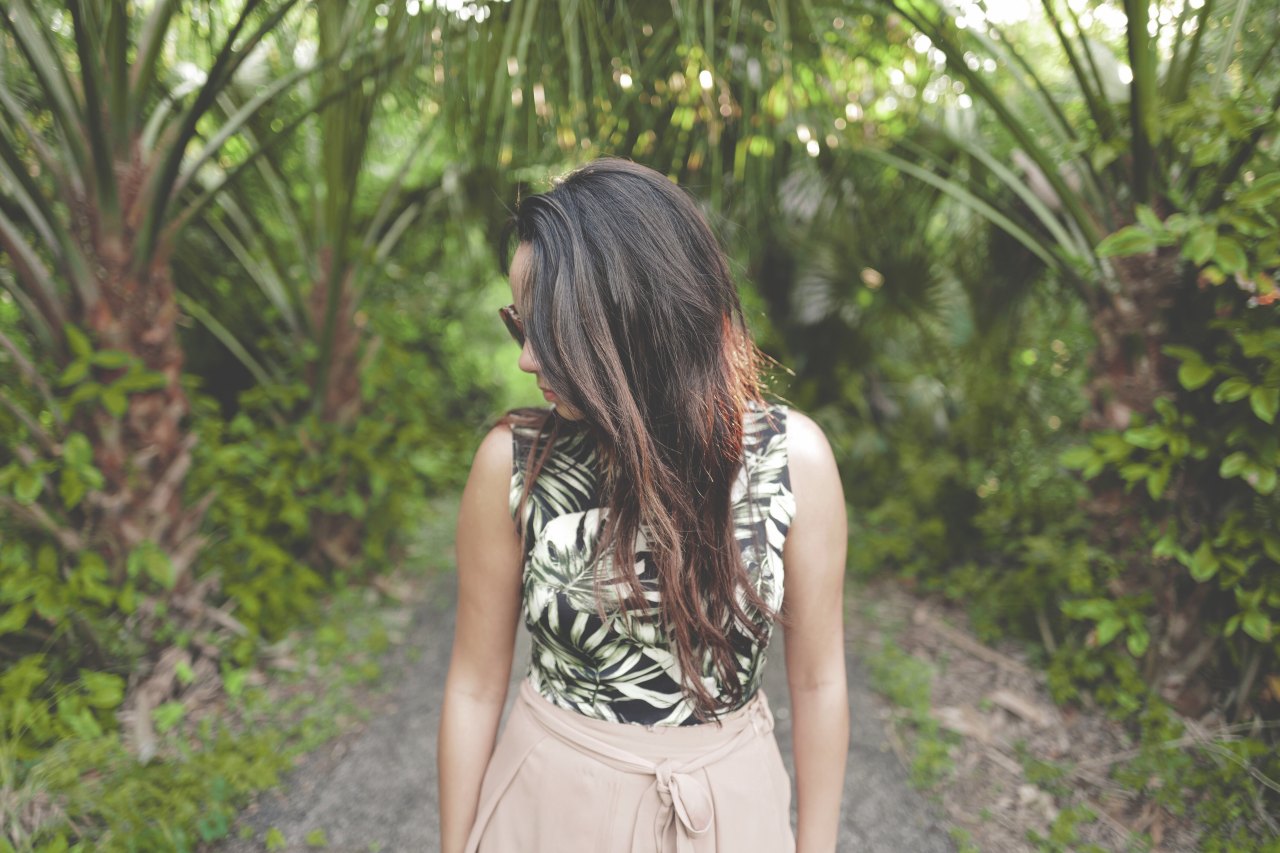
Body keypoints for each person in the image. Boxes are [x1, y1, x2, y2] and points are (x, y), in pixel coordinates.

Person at [437, 157, 849, 853]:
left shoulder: (792, 461)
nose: (527, 358)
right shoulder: (513, 463)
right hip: (547, 812)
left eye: (549, 327)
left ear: (632, 320)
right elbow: (474, 687)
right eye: (518, 323)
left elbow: (819, 681)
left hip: (730, 814)